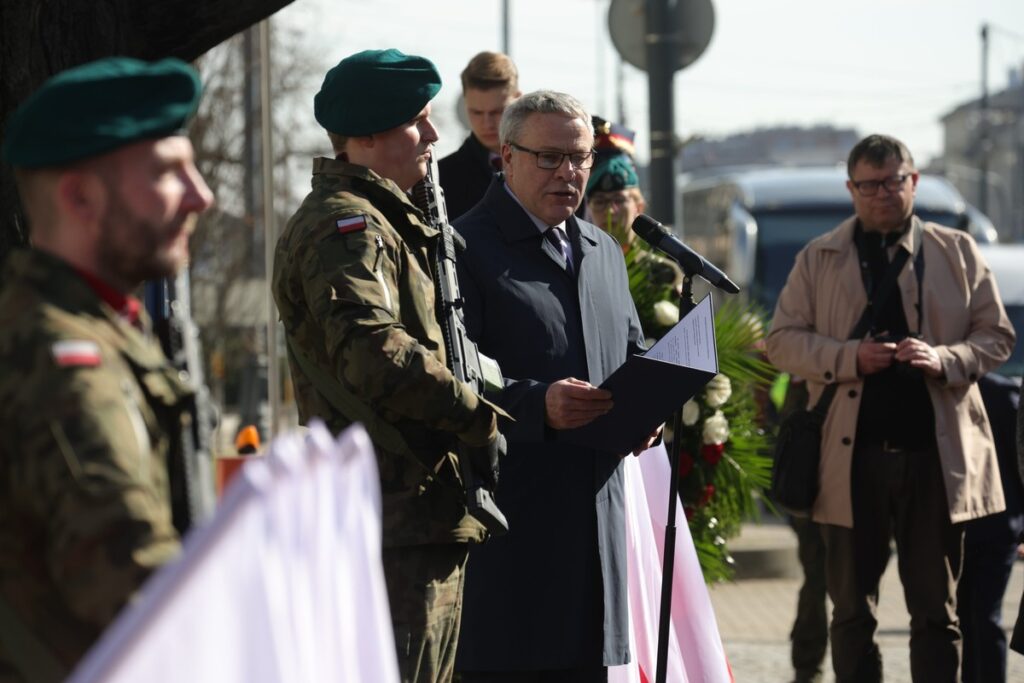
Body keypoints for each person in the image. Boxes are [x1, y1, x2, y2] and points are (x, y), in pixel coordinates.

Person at [271, 48, 504, 683]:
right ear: (368, 136)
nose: (433, 135)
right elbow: (373, 353)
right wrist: (476, 415)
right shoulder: (346, 227)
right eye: (418, 121)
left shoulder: (389, 221)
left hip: (414, 509)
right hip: (388, 514)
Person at [766, 133, 1015, 682]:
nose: (883, 194)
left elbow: (997, 336)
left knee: (936, 615)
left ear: (914, 182)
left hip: (936, 460)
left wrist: (944, 358)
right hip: (849, 462)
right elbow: (781, 341)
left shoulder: (956, 250)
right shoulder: (820, 256)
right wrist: (851, 356)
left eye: (894, 182)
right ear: (851, 189)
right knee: (852, 613)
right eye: (870, 185)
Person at [0, 57, 214, 679]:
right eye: (169, 173)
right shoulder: (60, 359)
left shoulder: (94, 328)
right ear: (81, 197)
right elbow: (136, 590)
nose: (202, 194)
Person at [453, 90, 656, 682]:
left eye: (581, 158)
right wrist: (537, 404)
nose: (569, 173)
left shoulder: (601, 249)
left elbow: (631, 350)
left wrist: (651, 404)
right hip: (513, 532)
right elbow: (451, 378)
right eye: (550, 158)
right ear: (507, 158)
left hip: (596, 523)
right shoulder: (463, 250)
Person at [958, 372, 1023, 683]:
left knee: (978, 618)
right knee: (978, 618)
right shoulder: (1005, 392)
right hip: (994, 525)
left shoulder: (1001, 392)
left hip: (986, 527)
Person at [438, 51, 520, 220]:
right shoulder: (443, 178)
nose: (487, 123)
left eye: (497, 112)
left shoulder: (547, 165)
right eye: (476, 112)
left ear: (518, 100)